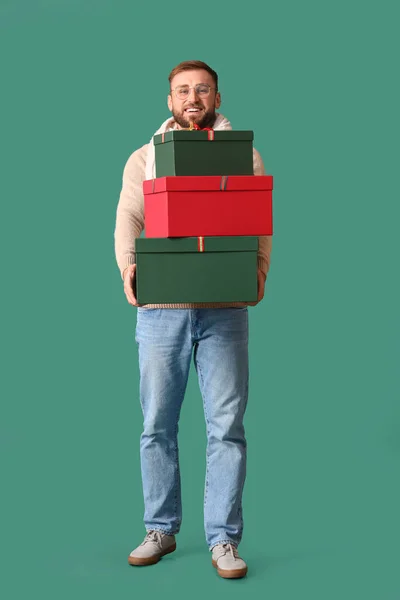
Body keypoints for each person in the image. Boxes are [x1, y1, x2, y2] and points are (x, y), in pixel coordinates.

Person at [114, 60, 272, 579]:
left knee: (226, 426)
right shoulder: (144, 158)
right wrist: (129, 269)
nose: (192, 97)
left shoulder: (244, 156)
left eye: (202, 90)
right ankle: (160, 527)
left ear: (217, 99)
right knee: (156, 423)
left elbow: (257, 219)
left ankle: (223, 539)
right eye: (183, 90)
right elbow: (129, 219)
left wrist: (258, 271)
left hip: (225, 310)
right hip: (162, 310)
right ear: (170, 101)